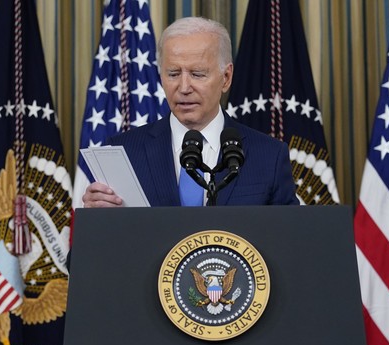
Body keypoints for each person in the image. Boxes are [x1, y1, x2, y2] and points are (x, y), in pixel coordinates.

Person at [82, 16, 298, 207]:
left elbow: (289, 244)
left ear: (226, 78)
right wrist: (96, 222)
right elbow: (92, 251)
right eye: (174, 74)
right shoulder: (124, 153)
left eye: (197, 74)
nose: (184, 88)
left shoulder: (269, 156)